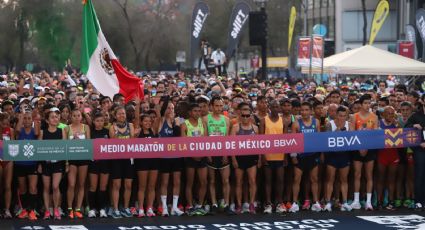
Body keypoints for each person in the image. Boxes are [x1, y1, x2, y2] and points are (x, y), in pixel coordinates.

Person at [154, 96, 184, 217]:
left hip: (177, 157)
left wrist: (176, 123)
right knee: (165, 182)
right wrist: (160, 105)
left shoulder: (179, 121)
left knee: (177, 181)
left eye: (172, 108)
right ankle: (165, 207)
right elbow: (158, 111)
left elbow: (180, 138)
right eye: (168, 108)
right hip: (165, 157)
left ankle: (175, 207)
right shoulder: (161, 121)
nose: (171, 110)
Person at [290, 102, 321, 213]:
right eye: (302, 110)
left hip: (313, 155)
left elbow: (319, 139)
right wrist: (293, 156)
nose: (304, 112)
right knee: (297, 179)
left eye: (306, 110)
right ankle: (294, 203)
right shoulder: (296, 124)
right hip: (300, 156)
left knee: (314, 179)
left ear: (310, 111)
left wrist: (320, 154)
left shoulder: (316, 122)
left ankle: (316, 202)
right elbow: (292, 142)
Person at [203, 96, 232, 214]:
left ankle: (226, 204)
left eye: (221, 106)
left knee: (226, 180)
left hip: (223, 153)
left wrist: (226, 153)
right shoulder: (205, 119)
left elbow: (227, 139)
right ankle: (214, 204)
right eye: (217, 105)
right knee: (212, 181)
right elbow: (205, 138)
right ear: (211, 106)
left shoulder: (226, 120)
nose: (219, 108)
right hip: (211, 153)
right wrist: (208, 153)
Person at [351, 94, 379, 211]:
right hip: (357, 149)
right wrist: (359, 148)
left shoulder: (374, 117)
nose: (368, 105)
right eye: (366, 103)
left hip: (370, 149)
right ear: (361, 104)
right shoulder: (354, 116)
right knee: (357, 174)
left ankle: (368, 202)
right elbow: (351, 133)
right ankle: (356, 201)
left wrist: (366, 147)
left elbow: (375, 134)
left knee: (369, 175)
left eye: (369, 103)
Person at [323, 106, 353, 212]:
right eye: (340, 116)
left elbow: (353, 140)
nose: (342, 118)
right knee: (330, 179)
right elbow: (325, 141)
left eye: (344, 116)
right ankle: (327, 203)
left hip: (344, 155)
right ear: (336, 115)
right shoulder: (329, 124)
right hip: (332, 155)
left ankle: (344, 202)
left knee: (344, 179)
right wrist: (337, 131)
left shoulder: (349, 125)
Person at [181, 103, 208, 216]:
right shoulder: (184, 124)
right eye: (195, 111)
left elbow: (206, 140)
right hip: (190, 157)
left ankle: (200, 205)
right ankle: (190, 206)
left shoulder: (203, 123)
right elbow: (183, 142)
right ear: (190, 112)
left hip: (202, 156)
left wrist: (201, 154)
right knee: (190, 183)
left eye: (199, 110)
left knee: (203, 182)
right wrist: (192, 155)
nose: (198, 113)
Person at [231, 103, 259, 214]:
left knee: (252, 181)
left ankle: (251, 204)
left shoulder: (255, 128)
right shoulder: (235, 127)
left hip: (251, 158)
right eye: (243, 116)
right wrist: (233, 159)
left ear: (250, 116)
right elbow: (231, 145)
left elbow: (259, 145)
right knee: (239, 182)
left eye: (248, 116)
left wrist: (260, 158)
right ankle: (239, 205)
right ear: (240, 116)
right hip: (239, 158)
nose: (246, 118)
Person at [259, 100, 286, 214]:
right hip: (267, 155)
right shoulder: (263, 120)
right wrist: (262, 156)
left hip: (280, 155)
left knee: (280, 180)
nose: (275, 108)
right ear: (269, 108)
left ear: (279, 108)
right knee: (268, 181)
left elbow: (285, 140)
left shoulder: (283, 120)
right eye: (273, 106)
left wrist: (285, 156)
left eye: (277, 106)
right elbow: (260, 140)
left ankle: (279, 203)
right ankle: (268, 204)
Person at [109, 106, 135, 218]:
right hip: (116, 159)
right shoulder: (112, 127)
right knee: (117, 185)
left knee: (128, 185)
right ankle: (115, 209)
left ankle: (126, 207)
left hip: (128, 158)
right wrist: (115, 133)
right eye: (119, 114)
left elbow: (133, 141)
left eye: (123, 113)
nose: (121, 115)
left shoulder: (130, 126)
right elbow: (113, 141)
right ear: (115, 115)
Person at [64, 109, 91, 219]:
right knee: (71, 184)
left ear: (81, 117)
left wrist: (80, 141)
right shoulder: (67, 128)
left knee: (81, 184)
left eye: (78, 115)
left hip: (83, 159)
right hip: (72, 159)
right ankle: (70, 208)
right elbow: (64, 146)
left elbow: (89, 143)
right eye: (74, 115)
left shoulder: (86, 127)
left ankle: (78, 209)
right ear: (71, 117)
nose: (76, 117)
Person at [39, 108, 65, 220]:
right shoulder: (42, 132)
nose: (55, 119)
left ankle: (55, 209)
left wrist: (66, 163)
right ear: (47, 120)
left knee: (55, 186)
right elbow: (38, 150)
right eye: (52, 117)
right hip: (45, 164)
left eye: (57, 116)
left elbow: (65, 148)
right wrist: (39, 164)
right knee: (46, 187)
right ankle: (47, 211)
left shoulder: (61, 131)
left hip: (58, 163)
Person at [14, 110, 40, 220]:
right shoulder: (19, 131)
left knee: (32, 188)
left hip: (32, 163)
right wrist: (22, 116)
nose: (27, 120)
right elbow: (17, 130)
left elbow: (37, 133)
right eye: (25, 118)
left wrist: (34, 118)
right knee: (23, 189)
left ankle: (32, 210)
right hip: (20, 163)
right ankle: (24, 209)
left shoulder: (34, 131)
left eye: (29, 119)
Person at [135, 114, 159, 218]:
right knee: (142, 186)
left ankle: (149, 208)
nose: (148, 123)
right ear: (141, 122)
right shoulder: (138, 132)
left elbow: (158, 118)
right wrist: (138, 105)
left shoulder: (153, 131)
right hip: (142, 162)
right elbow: (136, 117)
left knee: (151, 186)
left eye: (149, 121)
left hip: (153, 161)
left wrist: (158, 105)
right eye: (145, 121)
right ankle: (141, 208)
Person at [87, 111, 110, 218]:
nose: (99, 123)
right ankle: (92, 209)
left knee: (103, 187)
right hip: (93, 163)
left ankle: (102, 209)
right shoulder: (90, 132)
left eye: (101, 121)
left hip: (105, 163)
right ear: (93, 121)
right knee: (93, 187)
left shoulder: (108, 131)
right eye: (97, 121)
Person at [376, 106, 399, 210]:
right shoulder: (378, 123)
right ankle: (379, 201)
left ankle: (391, 201)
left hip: (394, 154)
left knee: (392, 179)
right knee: (380, 178)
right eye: (388, 113)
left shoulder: (396, 124)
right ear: (383, 114)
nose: (390, 115)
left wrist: (398, 126)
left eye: (392, 113)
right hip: (382, 154)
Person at [405, 94, 425, 210]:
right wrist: (413, 125)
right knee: (419, 175)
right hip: (419, 149)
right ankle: (418, 201)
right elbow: (406, 129)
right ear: (422, 101)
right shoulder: (415, 116)